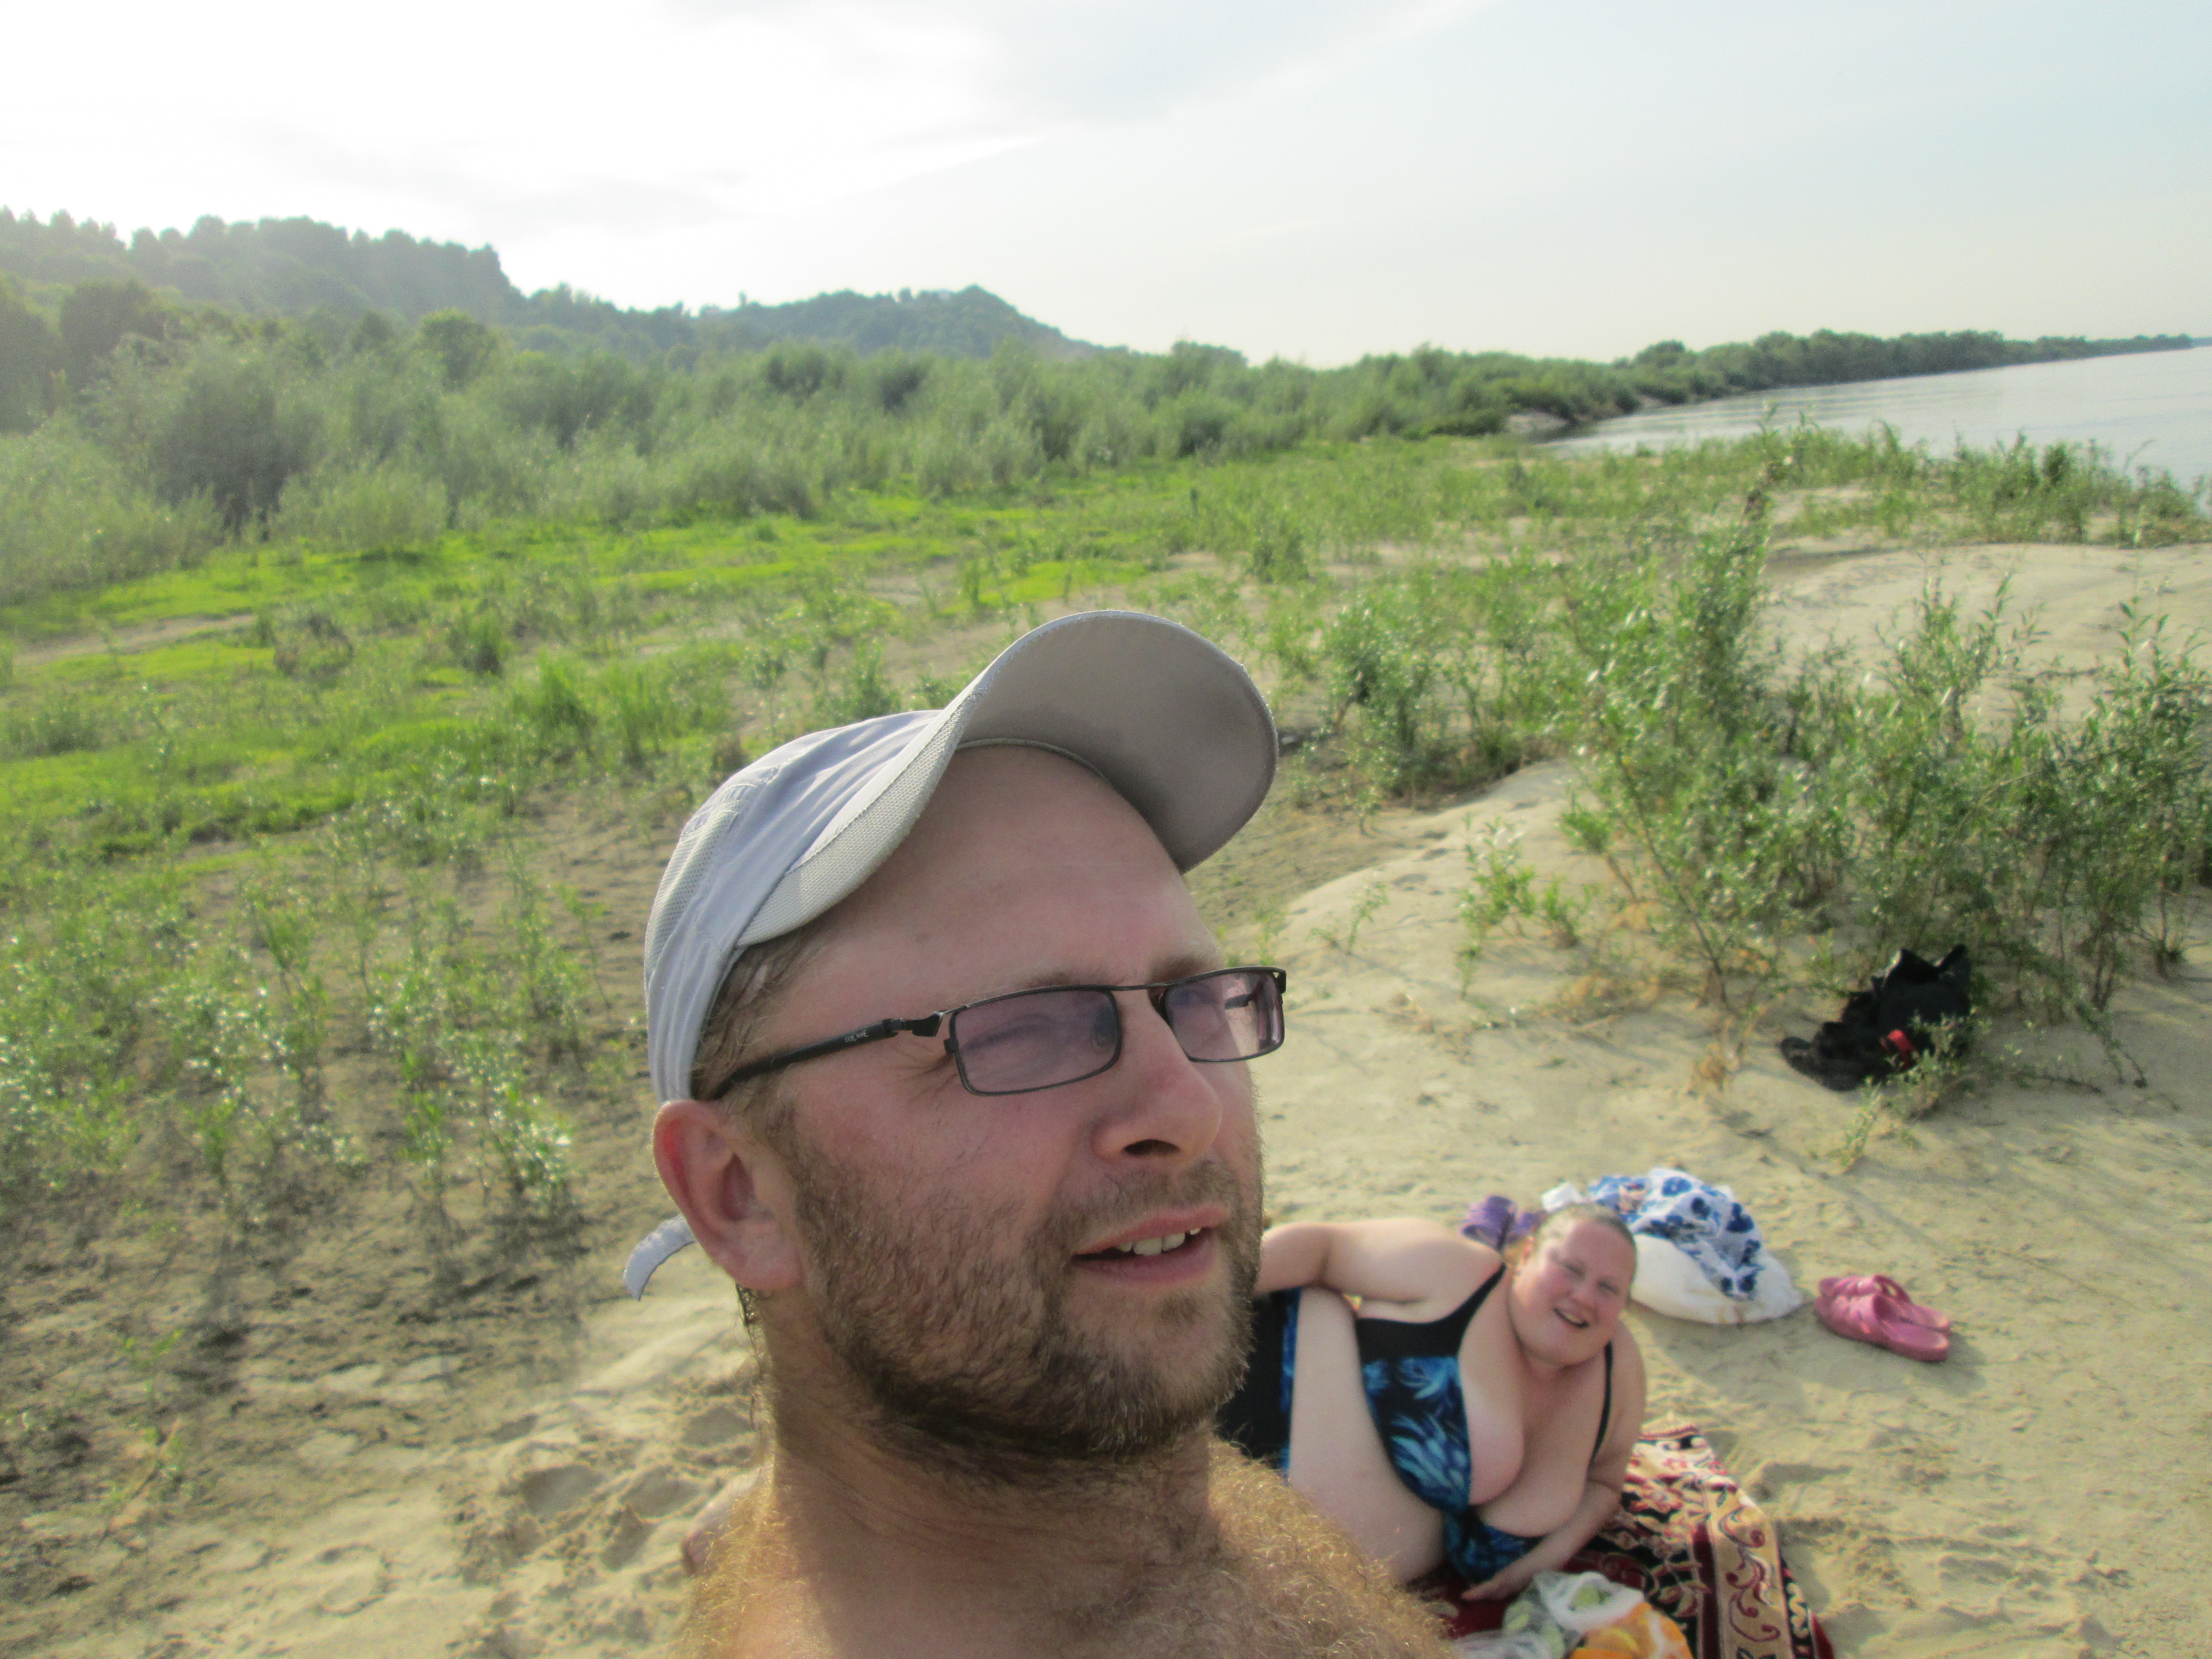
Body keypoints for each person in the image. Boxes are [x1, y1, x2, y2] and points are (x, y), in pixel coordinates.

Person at [631, 611, 1454, 1658]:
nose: (1187, 1110)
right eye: (1021, 1029)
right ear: (738, 1192)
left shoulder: (1052, 1480)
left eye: (1191, 998)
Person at [1218, 1206, 1647, 1602]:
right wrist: (1203, 1298)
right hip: (1248, 1396)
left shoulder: (1615, 1371)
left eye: (1609, 1288)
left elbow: (1606, 1483)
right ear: (1528, 1255)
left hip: (1287, 1559)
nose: (1584, 1296)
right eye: (1570, 1269)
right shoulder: (1462, 1273)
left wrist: (1545, 1560)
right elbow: (1321, 1248)